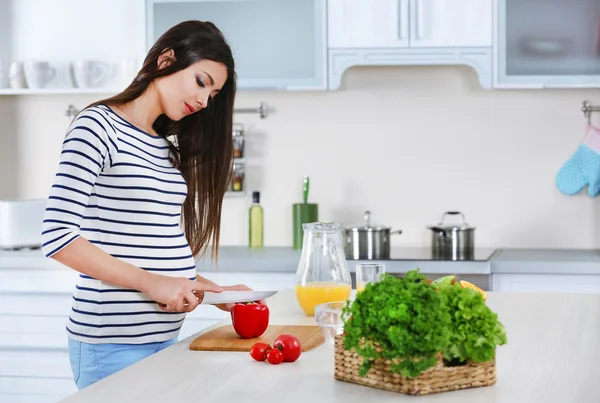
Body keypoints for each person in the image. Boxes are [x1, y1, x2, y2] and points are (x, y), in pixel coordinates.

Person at [40, 20, 259, 390]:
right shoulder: (97, 127)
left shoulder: (163, 146)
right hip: (111, 344)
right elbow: (56, 236)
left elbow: (150, 244)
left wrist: (215, 291)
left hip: (163, 340)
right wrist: (151, 284)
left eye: (214, 94)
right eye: (202, 82)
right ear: (165, 60)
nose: (205, 101)